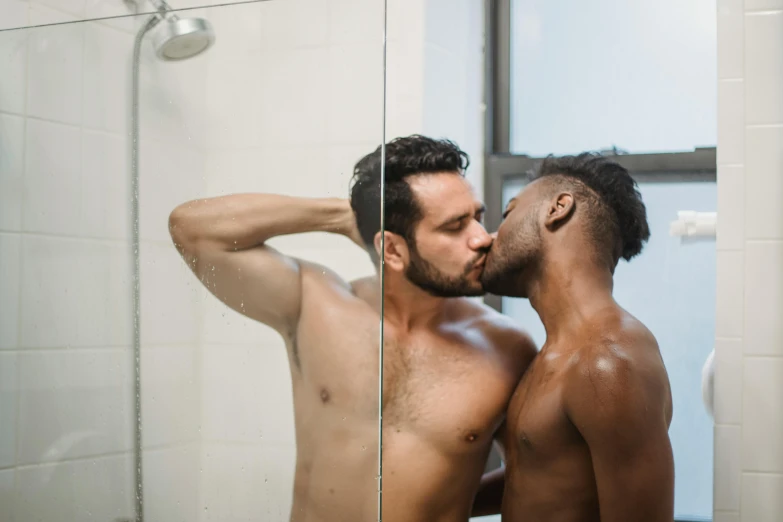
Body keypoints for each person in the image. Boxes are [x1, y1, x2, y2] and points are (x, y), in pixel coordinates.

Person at [168, 135, 537, 522]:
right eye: (454, 226)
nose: (482, 238)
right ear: (392, 249)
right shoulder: (315, 306)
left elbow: (533, 476)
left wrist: (446, 501)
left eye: (476, 217)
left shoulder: (505, 348)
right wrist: (343, 216)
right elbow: (192, 230)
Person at [475, 153, 674, 522]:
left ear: (558, 208)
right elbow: (546, 478)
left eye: (507, 214)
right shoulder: (557, 353)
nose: (488, 238)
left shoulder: (608, 362)